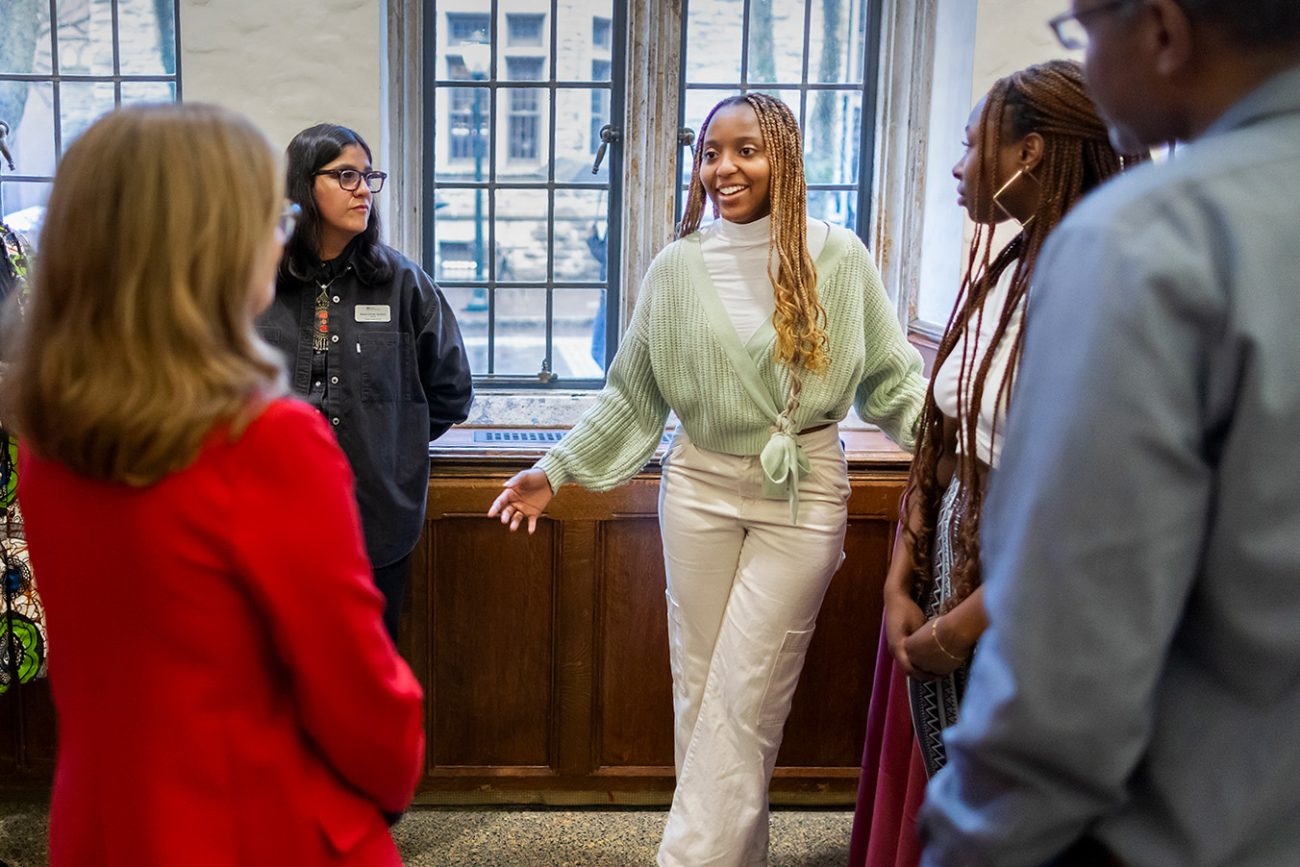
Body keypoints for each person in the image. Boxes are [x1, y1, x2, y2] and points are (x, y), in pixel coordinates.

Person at [489, 92, 927, 865]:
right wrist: (554, 470)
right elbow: (630, 394)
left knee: (747, 688)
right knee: (702, 688)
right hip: (696, 489)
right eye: (710, 152)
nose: (724, 167)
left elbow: (892, 380)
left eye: (746, 149)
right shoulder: (677, 266)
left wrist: (961, 448)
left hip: (804, 491)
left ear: (785, 157)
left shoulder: (842, 257)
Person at [919, 2, 1300, 865]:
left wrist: (974, 841)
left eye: (1082, 30)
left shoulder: (1147, 240)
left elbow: (1070, 645)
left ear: (1163, 31)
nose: (1083, 63)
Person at [2, 104, 425, 865]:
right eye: (270, 214)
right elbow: (362, 700)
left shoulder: (53, 429)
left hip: (105, 815)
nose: (279, 235)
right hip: (251, 821)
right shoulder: (264, 439)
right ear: (209, 243)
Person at [848, 58, 1143, 867]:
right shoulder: (1013, 265)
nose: (954, 164)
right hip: (947, 562)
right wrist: (900, 575)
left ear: (1033, 154)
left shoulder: (1104, 292)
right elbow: (941, 436)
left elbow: (1087, 515)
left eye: (972, 143)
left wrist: (960, 626)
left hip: (1019, 605)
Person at [258, 123, 474, 640]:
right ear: (302, 185)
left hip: (376, 524)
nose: (363, 190)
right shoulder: (259, 283)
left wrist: (392, 442)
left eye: (368, 176)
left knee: (367, 669)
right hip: (275, 523)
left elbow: (451, 391)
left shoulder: (404, 285)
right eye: (346, 175)